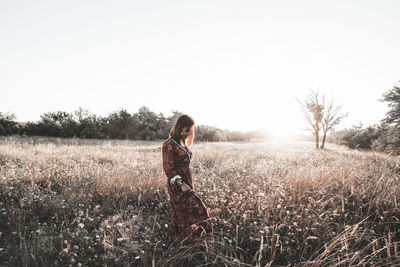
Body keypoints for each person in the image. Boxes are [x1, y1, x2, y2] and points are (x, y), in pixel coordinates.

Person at [162, 114, 213, 244]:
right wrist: (181, 183)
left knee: (182, 212)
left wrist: (187, 182)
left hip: (187, 181)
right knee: (197, 209)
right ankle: (201, 237)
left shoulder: (182, 143)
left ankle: (184, 241)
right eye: (185, 130)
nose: (187, 133)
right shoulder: (169, 144)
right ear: (178, 128)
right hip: (177, 184)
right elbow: (169, 168)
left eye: (189, 130)